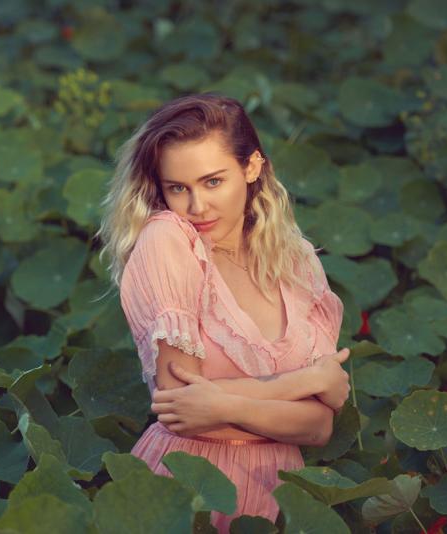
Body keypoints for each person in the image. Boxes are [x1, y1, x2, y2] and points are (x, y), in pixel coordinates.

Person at [94, 92, 350, 532]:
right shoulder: (168, 240)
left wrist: (221, 404)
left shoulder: (297, 262)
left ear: (251, 167)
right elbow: (184, 413)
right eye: (178, 188)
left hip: (279, 501)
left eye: (213, 182)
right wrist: (305, 382)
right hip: (185, 493)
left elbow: (318, 426)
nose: (197, 207)